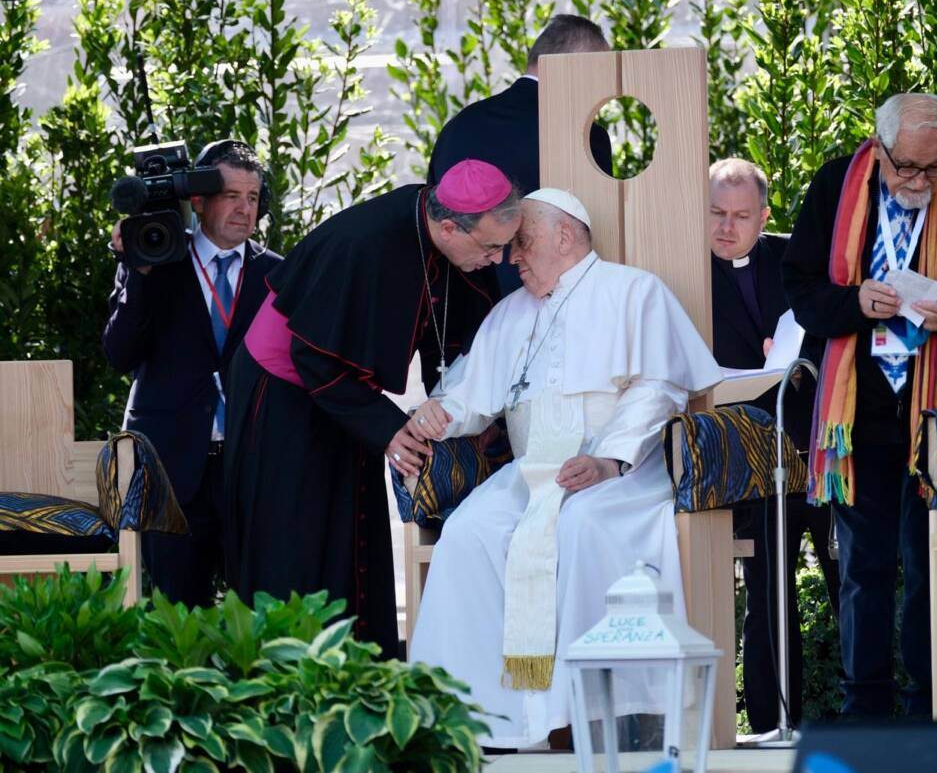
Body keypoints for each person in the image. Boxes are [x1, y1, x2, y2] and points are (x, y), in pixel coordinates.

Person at [406, 188, 722, 748]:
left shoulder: (634, 291)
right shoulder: (510, 312)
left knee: (580, 526)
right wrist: (438, 414)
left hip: (621, 469)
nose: (511, 257)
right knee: (469, 531)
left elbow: (659, 387)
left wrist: (608, 459)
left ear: (565, 235)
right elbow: (474, 396)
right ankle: (483, 719)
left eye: (522, 242)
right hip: (532, 470)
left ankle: (586, 714)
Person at [223, 160, 521, 659]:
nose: (498, 260)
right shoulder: (365, 244)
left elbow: (451, 337)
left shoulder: (446, 240)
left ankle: (361, 671)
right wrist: (387, 427)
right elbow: (312, 353)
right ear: (449, 226)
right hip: (283, 399)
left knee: (350, 538)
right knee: (296, 545)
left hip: (342, 397)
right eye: (491, 247)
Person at [781, 93, 937, 716]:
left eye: (933, 170)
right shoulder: (835, 183)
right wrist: (855, 302)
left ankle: (930, 704)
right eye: (906, 166)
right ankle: (866, 709)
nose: (918, 181)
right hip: (857, 413)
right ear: (880, 149)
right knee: (864, 568)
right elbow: (801, 290)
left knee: (931, 562)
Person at [102, 139, 281, 608]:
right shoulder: (156, 259)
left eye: (253, 197)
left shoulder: (277, 274)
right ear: (198, 201)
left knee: (261, 612)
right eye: (231, 197)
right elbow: (120, 353)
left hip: (252, 467)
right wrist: (137, 274)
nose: (245, 209)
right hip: (172, 471)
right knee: (176, 614)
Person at [708, 158, 840, 732]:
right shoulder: (679, 270)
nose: (726, 227)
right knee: (767, 595)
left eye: (741, 215)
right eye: (716, 213)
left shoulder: (794, 260)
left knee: (850, 581)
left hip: (816, 444)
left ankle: (873, 723)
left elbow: (827, 323)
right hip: (746, 457)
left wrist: (796, 362)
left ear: (764, 216)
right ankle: (766, 726)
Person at [428, 14, 613, 298]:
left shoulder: (459, 125)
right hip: (551, 302)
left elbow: (434, 216)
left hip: (461, 303)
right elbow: (597, 223)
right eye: (601, 73)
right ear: (579, 66)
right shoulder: (585, 132)